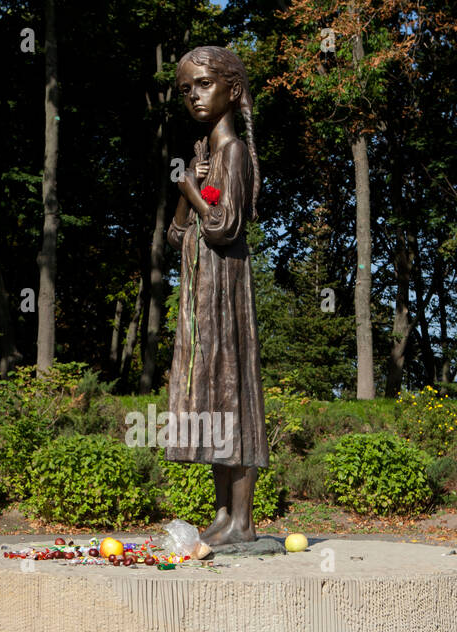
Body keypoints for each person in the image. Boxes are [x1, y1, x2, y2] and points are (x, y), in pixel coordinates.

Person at [166, 45, 268, 547]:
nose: (194, 96)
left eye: (203, 84)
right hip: (202, 294)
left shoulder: (231, 151)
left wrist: (187, 187)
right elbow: (175, 235)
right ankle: (224, 514)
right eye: (186, 90)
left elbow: (225, 226)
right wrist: (189, 190)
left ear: (232, 87)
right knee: (214, 396)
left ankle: (244, 521)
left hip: (226, 287)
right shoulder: (205, 154)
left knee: (234, 392)